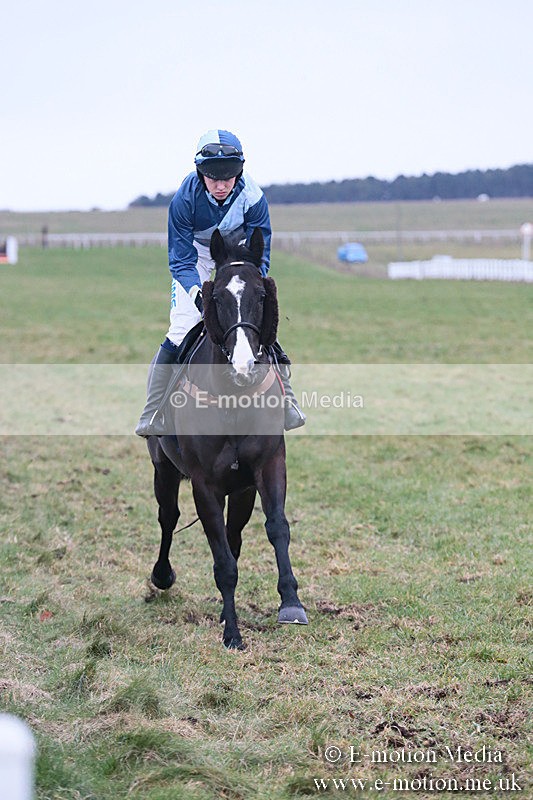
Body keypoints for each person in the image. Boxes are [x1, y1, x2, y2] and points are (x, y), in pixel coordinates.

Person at [135, 129, 305, 437]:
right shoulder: (184, 200)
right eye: (213, 178)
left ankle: (288, 402)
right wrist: (200, 296)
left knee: (255, 319)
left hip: (237, 255)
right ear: (201, 173)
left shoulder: (253, 198)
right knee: (182, 327)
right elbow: (181, 259)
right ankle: (154, 410)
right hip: (197, 255)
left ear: (239, 172)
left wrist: (252, 283)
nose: (221, 185)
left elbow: (259, 250)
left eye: (228, 178)